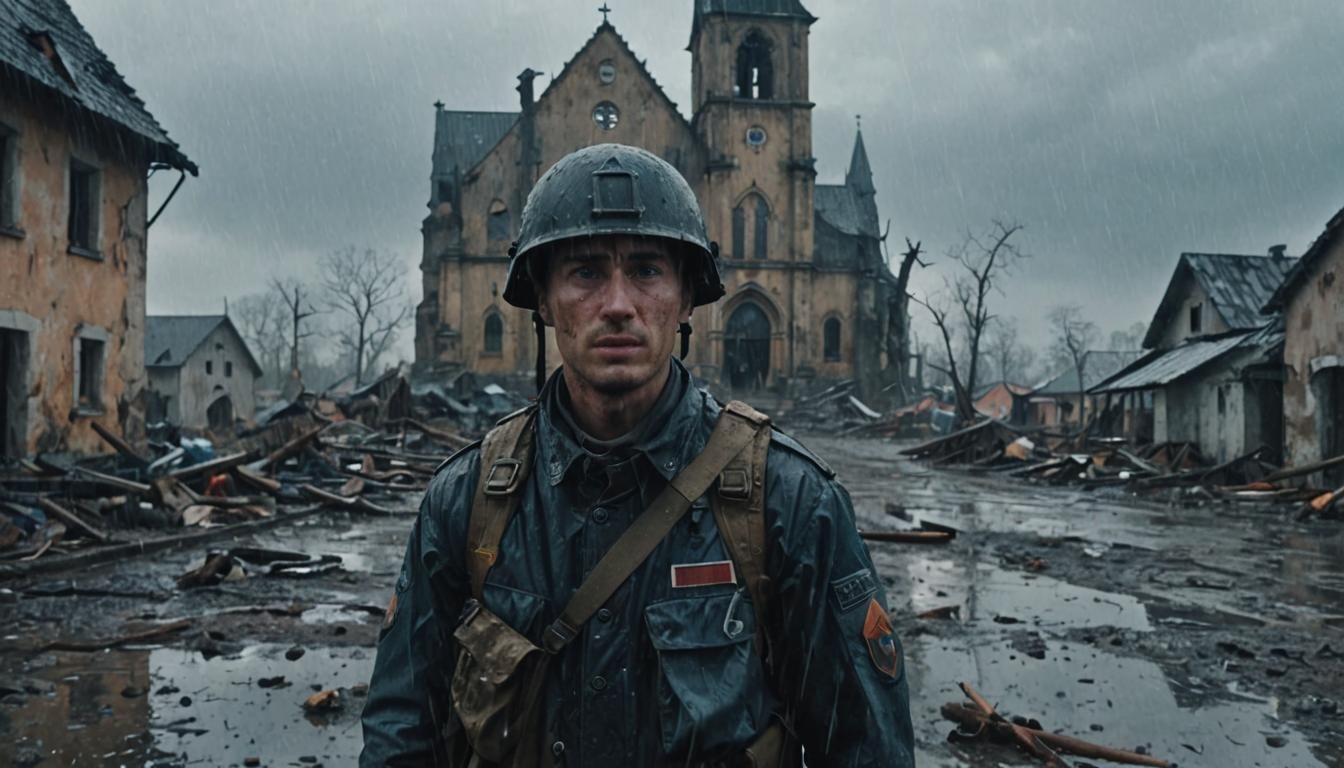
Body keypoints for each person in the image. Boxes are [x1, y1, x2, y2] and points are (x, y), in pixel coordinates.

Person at [360, 143, 914, 767]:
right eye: (586, 272)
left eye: (648, 270)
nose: (618, 304)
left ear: (685, 299)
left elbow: (866, 750)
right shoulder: (466, 501)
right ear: (541, 301)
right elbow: (402, 733)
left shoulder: (790, 502)